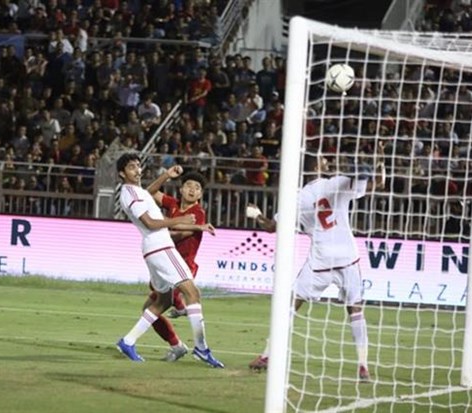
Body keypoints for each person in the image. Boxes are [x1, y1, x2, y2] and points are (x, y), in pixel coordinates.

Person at [247, 151, 386, 381]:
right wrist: (377, 165)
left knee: (290, 305)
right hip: (347, 257)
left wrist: (258, 215)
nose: (326, 162)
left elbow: (272, 227)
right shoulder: (335, 182)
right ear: (317, 166)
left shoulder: (296, 198)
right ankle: (363, 366)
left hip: (320, 260)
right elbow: (374, 183)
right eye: (323, 160)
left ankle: (268, 355)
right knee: (355, 310)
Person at [115, 152, 224, 368]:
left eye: (138, 166)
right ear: (121, 173)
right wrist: (181, 220)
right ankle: (201, 348)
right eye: (131, 167)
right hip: (161, 247)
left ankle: (128, 341)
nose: (137, 170)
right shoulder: (130, 193)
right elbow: (149, 223)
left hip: (155, 248)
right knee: (193, 293)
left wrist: (166, 175)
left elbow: (149, 194)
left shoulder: (135, 191)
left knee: (162, 301)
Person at [144, 169, 215, 362]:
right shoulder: (172, 204)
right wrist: (166, 175)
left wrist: (161, 229)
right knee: (148, 309)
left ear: (200, 195)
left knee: (158, 303)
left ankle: (182, 306)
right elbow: (148, 192)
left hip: (184, 267)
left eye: (197, 188)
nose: (193, 190)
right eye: (189, 185)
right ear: (181, 189)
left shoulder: (198, 213)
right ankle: (177, 346)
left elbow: (179, 234)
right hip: (166, 265)